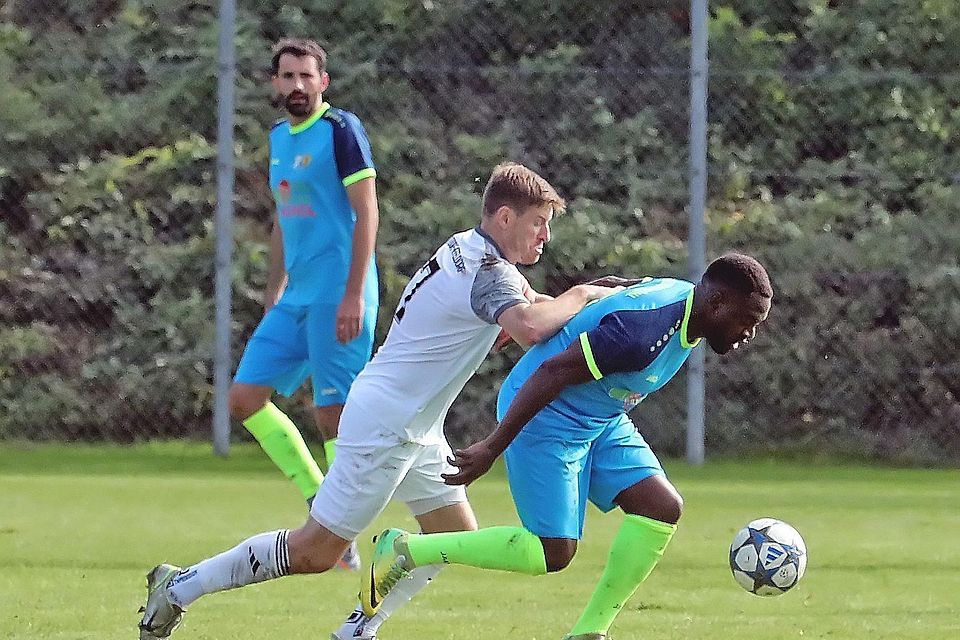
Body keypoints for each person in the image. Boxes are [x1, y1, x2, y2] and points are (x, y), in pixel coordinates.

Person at [137, 162, 622, 640]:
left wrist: (595, 300)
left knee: (448, 537)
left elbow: (532, 308)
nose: (545, 237)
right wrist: (579, 294)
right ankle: (181, 586)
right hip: (385, 424)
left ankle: (357, 630)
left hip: (412, 423)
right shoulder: (488, 272)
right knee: (315, 552)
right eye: (539, 223)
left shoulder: (472, 251)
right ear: (504, 218)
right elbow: (531, 327)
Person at [365, 254, 773, 640]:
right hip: (547, 415)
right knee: (553, 552)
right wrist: (492, 446)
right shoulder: (643, 333)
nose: (749, 334)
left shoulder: (686, 305)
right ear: (718, 302)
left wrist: (562, 303)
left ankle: (589, 631)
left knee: (661, 508)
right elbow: (552, 371)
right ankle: (406, 549)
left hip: (601, 417)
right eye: (748, 321)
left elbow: (614, 292)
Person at [228, 38, 380, 570]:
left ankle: (342, 534)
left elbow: (366, 215)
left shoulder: (341, 131)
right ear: (275, 84)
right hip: (296, 297)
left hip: (340, 292)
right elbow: (284, 218)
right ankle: (321, 499)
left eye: (305, 76)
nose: (296, 86)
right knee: (244, 399)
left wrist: (353, 294)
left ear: (323, 82)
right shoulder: (277, 138)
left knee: (333, 415)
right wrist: (275, 289)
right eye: (287, 76)